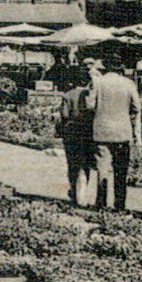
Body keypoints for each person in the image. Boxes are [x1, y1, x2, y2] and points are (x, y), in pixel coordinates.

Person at [88, 56, 142, 212]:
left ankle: (101, 203)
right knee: (121, 169)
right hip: (122, 131)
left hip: (102, 130)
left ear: (105, 66)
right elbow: (137, 107)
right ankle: (120, 204)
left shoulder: (98, 83)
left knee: (102, 168)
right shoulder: (129, 83)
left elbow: (90, 105)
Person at [58, 65, 97, 206]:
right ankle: (83, 193)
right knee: (85, 163)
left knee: (72, 164)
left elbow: (65, 114)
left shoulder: (68, 95)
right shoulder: (90, 94)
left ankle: (74, 192)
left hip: (72, 131)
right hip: (87, 131)